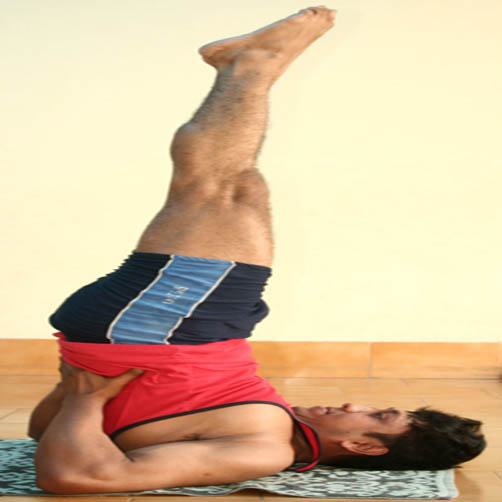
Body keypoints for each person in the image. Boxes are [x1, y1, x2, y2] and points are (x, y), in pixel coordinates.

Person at [29, 6, 485, 495]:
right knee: (244, 188)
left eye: (377, 416)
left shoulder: (267, 450)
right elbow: (43, 432)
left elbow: (72, 475)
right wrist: (81, 394)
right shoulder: (270, 429)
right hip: (173, 332)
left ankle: (251, 63)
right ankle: (247, 66)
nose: (354, 405)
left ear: (363, 446)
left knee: (217, 185)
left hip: (164, 332)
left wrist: (84, 399)